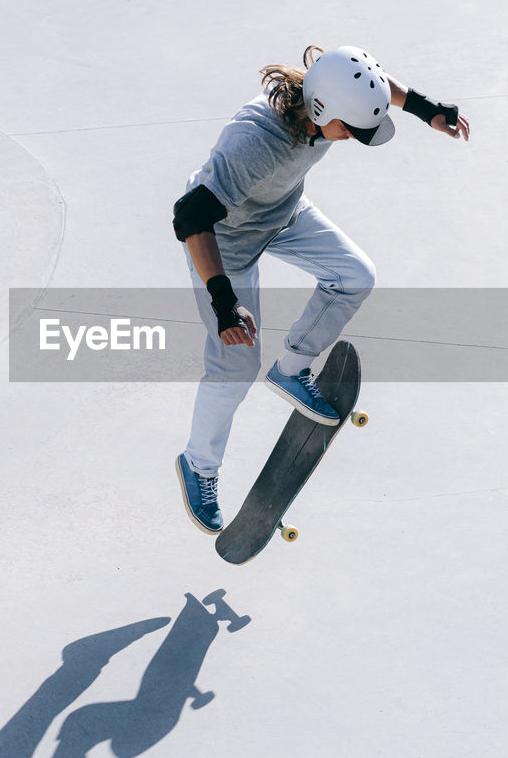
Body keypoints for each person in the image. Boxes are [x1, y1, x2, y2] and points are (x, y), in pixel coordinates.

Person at [171, 45, 470, 534]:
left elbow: (372, 82)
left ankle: (292, 369)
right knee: (236, 362)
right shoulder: (254, 141)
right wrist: (225, 305)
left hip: (284, 214)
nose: (352, 139)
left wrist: (426, 109)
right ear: (322, 110)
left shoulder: (330, 89)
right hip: (225, 242)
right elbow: (190, 217)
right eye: (350, 130)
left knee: (355, 274)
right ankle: (198, 465)